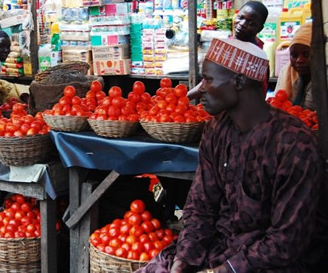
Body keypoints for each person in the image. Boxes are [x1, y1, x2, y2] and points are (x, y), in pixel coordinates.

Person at [136, 38, 324, 273]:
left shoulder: (294, 144)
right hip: (221, 247)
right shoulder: (216, 130)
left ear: (239, 81)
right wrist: (183, 260)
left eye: (209, 79)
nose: (200, 88)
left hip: (271, 262)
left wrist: (224, 270)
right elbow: (200, 206)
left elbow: (287, 240)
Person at [187, 1, 268, 100]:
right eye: (240, 17)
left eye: (251, 23)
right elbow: (207, 81)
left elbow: (257, 94)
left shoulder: (256, 57)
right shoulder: (228, 44)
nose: (242, 24)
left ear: (259, 28)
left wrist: (185, 98)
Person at [275, 22, 315, 110]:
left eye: (306, 54)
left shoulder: (323, 76)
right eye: (294, 55)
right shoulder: (286, 71)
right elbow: (276, 104)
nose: (299, 60)